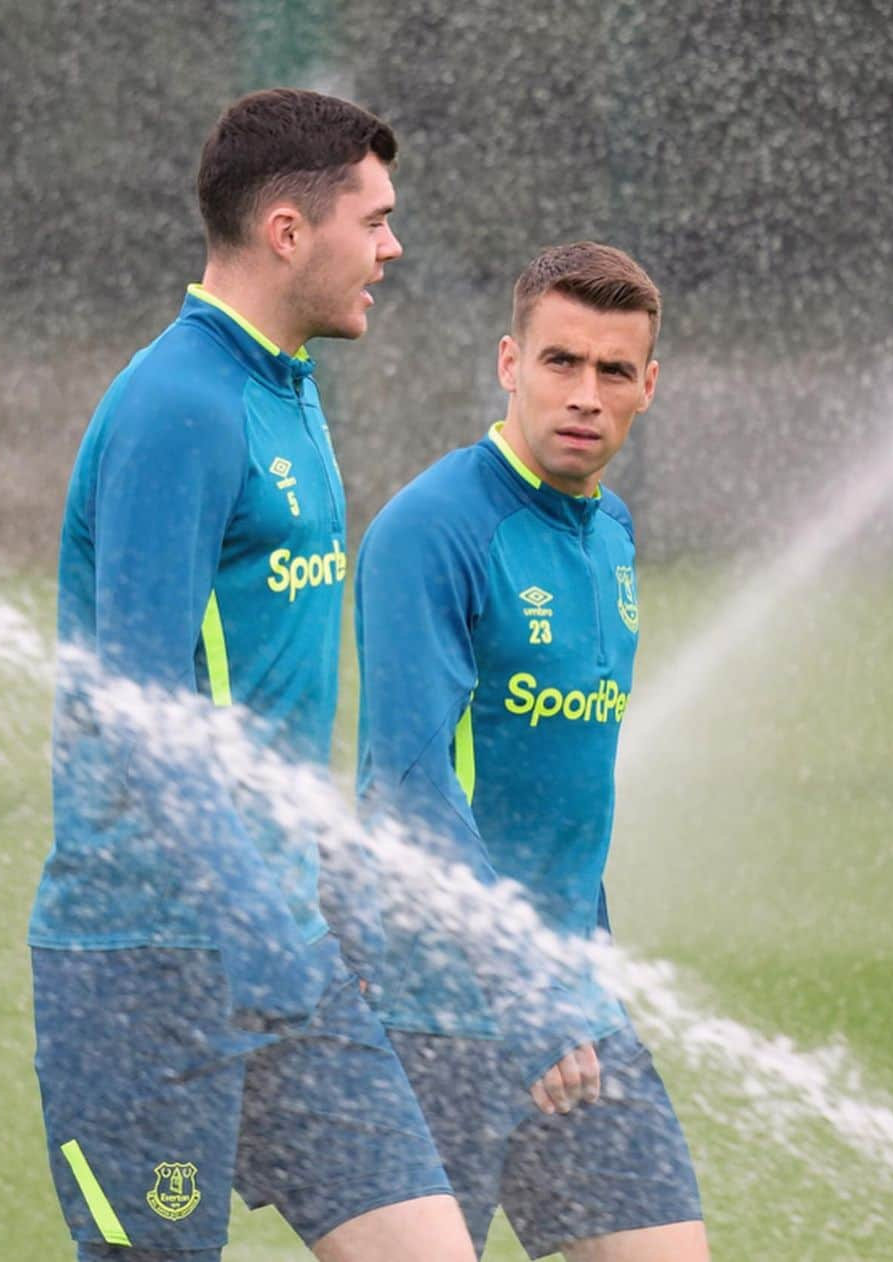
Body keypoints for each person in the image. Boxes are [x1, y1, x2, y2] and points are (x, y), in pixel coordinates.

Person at [28, 88, 476, 1262]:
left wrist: (322, 894)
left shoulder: (286, 392)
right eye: (372, 221)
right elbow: (137, 712)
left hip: (287, 955)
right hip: (150, 966)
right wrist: (248, 917)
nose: (392, 247)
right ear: (289, 230)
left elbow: (260, 709)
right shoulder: (182, 406)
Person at [354, 241, 710, 1260]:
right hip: (432, 1014)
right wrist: (528, 987)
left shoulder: (613, 532)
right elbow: (411, 788)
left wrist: (575, 968)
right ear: (510, 363)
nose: (584, 393)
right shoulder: (432, 528)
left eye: (611, 370)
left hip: (572, 1006)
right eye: (560, 361)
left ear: (649, 385)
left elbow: (569, 786)